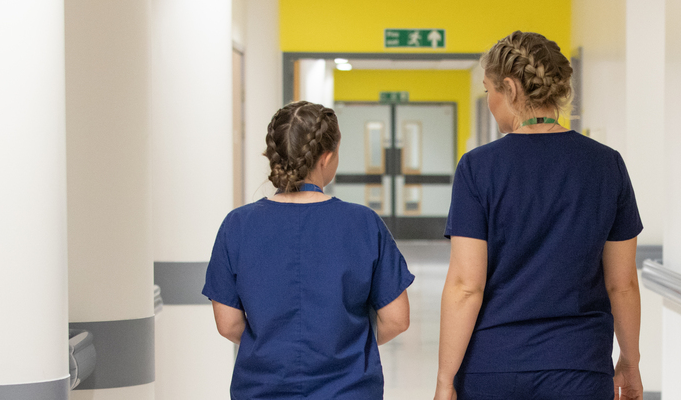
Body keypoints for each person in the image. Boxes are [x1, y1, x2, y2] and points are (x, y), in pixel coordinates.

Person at [434, 31, 645, 400]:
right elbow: (622, 283)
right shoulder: (606, 165)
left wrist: (444, 379)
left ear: (511, 89)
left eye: (489, 92)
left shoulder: (478, 169)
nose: (490, 102)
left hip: (493, 368)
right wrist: (630, 360)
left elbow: (466, 286)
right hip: (578, 368)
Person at [204, 101, 415, 400]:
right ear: (326, 158)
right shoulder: (363, 223)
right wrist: (347, 349)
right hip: (348, 390)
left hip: (261, 389)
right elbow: (396, 319)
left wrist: (275, 348)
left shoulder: (236, 225)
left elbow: (228, 324)